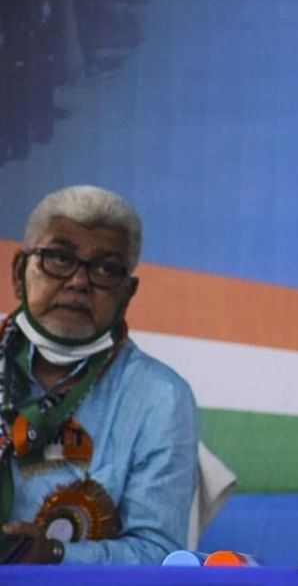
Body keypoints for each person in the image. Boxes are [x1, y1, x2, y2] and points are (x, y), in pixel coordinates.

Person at [1, 185, 198, 564]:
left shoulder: (160, 397)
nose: (79, 282)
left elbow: (159, 554)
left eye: (106, 269)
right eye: (59, 258)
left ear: (128, 293)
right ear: (18, 271)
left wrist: (56, 555)